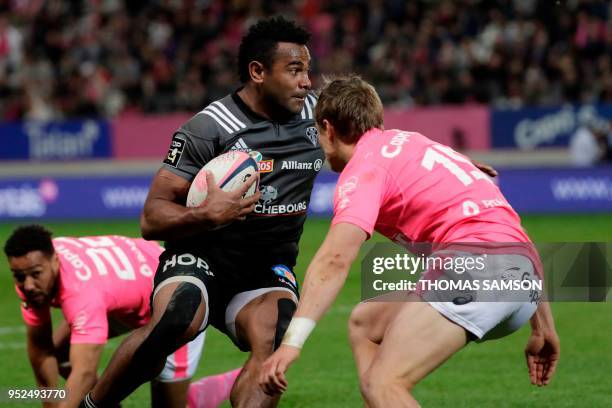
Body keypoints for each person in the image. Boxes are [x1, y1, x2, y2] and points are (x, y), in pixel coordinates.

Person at [259, 75, 561, 406]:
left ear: (328, 129)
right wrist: (542, 327)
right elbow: (506, 227)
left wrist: (291, 344)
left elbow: (334, 259)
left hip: (478, 273)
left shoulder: (365, 169)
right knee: (366, 323)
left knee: (384, 384)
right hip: (522, 281)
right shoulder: (420, 145)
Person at [84, 16, 323, 408]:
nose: (306, 81)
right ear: (258, 71)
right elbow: (151, 217)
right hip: (199, 257)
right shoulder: (210, 127)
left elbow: (363, 136)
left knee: (278, 332)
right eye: (295, 70)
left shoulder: (317, 115)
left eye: (308, 70)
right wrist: (206, 215)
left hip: (266, 267)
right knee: (178, 317)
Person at [4, 225, 242, 408]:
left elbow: (85, 373)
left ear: (54, 261)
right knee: (60, 354)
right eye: (18, 276)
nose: (28, 285)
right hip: (124, 296)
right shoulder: (36, 267)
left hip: (173, 299)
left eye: (35, 274)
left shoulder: (81, 293)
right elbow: (41, 351)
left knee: (169, 404)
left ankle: (223, 385)